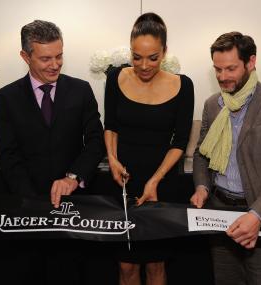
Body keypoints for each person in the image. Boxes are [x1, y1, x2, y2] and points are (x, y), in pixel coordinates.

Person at [0, 20, 104, 285]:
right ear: (25, 56)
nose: (55, 64)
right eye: (45, 58)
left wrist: (73, 177)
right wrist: (34, 203)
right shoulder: (6, 98)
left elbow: (96, 141)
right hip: (28, 209)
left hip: (75, 207)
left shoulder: (81, 90)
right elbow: (9, 155)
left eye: (59, 56)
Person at [190, 32, 261, 285]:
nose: (222, 77)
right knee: (226, 279)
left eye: (230, 68)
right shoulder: (212, 105)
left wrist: (257, 215)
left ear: (251, 62)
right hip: (219, 211)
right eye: (217, 69)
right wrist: (202, 185)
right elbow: (201, 152)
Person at [104, 12, 194, 285]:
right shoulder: (115, 78)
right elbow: (110, 125)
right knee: (126, 266)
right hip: (122, 181)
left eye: (152, 57)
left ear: (165, 52)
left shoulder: (183, 85)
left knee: (156, 265)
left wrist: (156, 180)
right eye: (137, 56)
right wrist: (112, 159)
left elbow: (179, 141)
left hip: (162, 183)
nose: (144, 65)